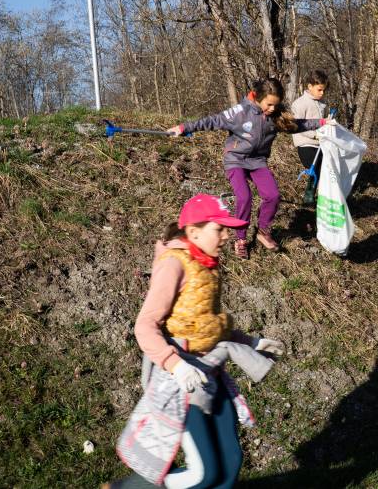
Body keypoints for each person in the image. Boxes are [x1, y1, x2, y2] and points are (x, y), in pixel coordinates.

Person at [105, 194, 285, 489]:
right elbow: (145, 326)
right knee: (204, 475)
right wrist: (176, 366)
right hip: (183, 384)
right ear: (194, 231)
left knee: (230, 465)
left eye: (228, 229)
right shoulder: (173, 264)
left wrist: (252, 343)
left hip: (211, 375)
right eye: (220, 229)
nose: (227, 236)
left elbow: (207, 326)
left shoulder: (208, 266)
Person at [168, 77, 330, 259]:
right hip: (235, 160)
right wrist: (184, 127)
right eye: (269, 104)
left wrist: (321, 123)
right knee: (244, 196)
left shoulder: (274, 115)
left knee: (273, 195)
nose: (272, 109)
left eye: (276, 105)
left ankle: (263, 230)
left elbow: (297, 125)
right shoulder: (240, 112)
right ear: (257, 97)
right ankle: (241, 239)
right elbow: (212, 121)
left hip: (258, 161)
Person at [290, 70, 329, 207]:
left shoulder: (321, 103)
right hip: (305, 143)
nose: (322, 93)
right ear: (310, 86)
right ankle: (308, 196)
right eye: (319, 90)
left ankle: (321, 196)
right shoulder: (300, 104)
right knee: (315, 166)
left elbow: (322, 123)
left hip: (320, 144)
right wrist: (314, 134)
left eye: (323, 90)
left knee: (325, 168)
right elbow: (297, 125)